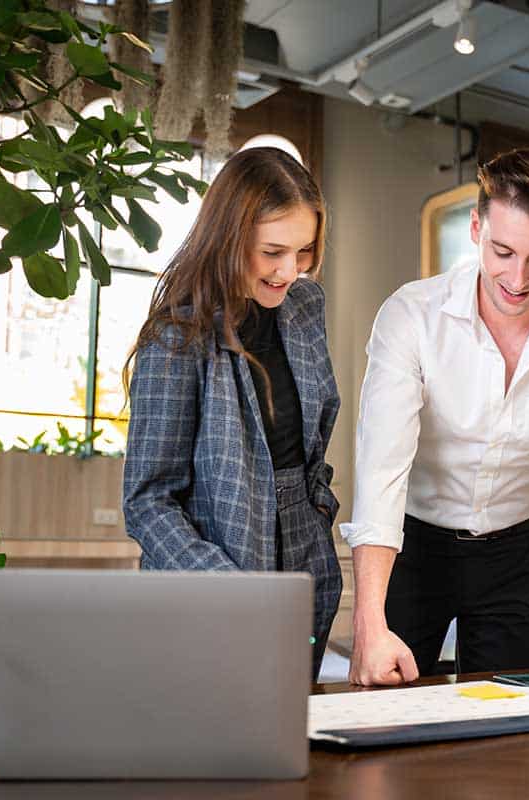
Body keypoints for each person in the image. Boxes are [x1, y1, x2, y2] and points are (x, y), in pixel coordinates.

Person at [343, 148, 529, 686]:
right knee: (382, 721)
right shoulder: (411, 316)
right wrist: (368, 618)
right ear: (477, 227)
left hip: (517, 555)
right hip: (411, 550)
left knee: (510, 740)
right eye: (502, 251)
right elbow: (381, 474)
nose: (517, 278)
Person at [122, 146, 341, 679]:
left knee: (290, 741)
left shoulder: (305, 307)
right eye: (272, 251)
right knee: (208, 751)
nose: (289, 271)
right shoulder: (176, 338)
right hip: (208, 582)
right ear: (229, 237)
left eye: (304, 251)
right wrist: (230, 589)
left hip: (304, 569)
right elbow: (147, 502)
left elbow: (306, 449)